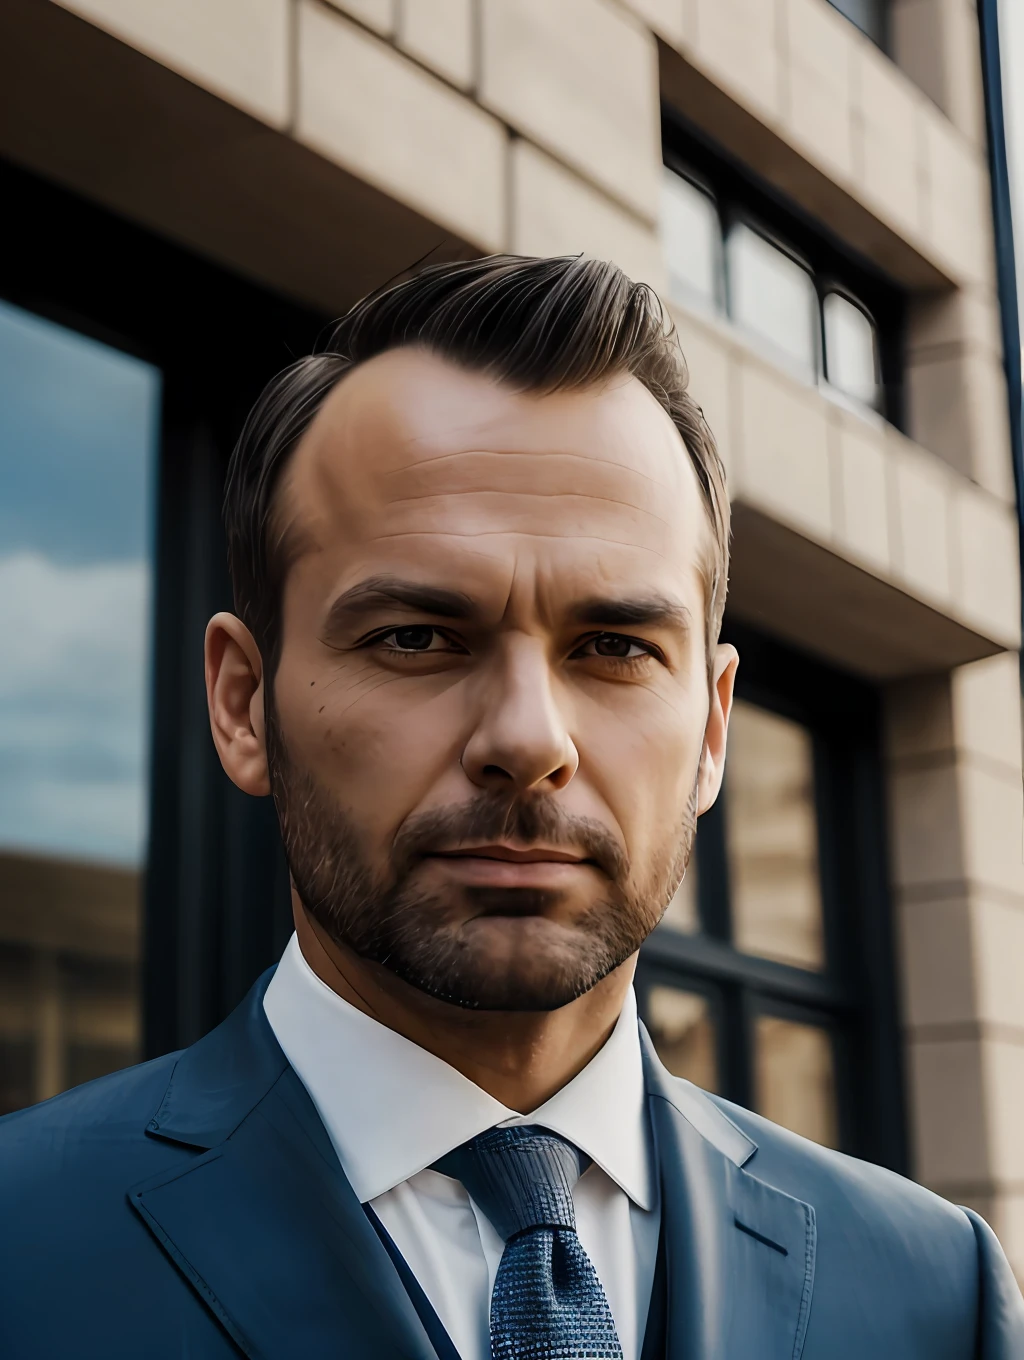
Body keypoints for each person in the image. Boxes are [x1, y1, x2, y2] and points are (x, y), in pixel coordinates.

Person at [0, 255, 1020, 1360]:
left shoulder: (934, 1292)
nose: (529, 739)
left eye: (616, 646)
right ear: (244, 705)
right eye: (417, 637)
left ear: (714, 727)